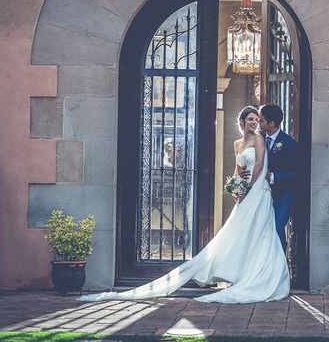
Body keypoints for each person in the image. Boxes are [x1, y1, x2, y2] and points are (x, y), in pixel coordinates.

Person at [78, 106, 289, 304]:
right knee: (239, 233)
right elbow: (238, 168)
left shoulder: (260, 139)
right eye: (250, 119)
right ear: (242, 122)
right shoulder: (237, 144)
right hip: (244, 194)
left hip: (258, 192)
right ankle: (234, 272)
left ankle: (255, 274)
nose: (254, 123)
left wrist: (250, 187)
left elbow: (259, 165)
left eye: (257, 119)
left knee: (258, 232)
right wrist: (236, 187)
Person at [241, 104, 297, 253]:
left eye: (261, 120)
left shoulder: (289, 143)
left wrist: (272, 176)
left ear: (271, 124)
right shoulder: (259, 139)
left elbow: (297, 175)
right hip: (263, 194)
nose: (258, 123)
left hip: (283, 196)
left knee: (277, 229)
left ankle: (281, 267)